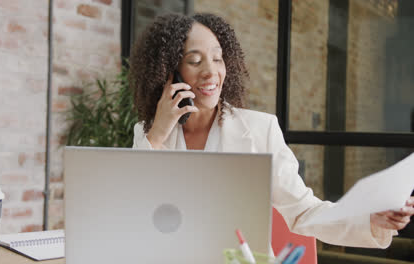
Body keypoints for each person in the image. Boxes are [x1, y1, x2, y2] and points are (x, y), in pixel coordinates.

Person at [129, 13, 414, 251]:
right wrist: (156, 136)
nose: (211, 71)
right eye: (194, 61)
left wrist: (370, 220)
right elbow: (133, 214)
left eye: (218, 58)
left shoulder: (259, 130)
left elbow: (303, 212)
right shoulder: (148, 134)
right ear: (170, 73)